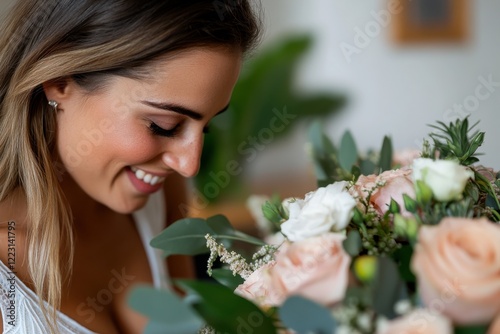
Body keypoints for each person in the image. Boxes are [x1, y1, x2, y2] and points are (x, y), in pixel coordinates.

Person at [0, 0, 261, 333]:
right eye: (162, 125)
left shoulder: (158, 191)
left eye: (206, 127)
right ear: (59, 82)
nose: (188, 165)